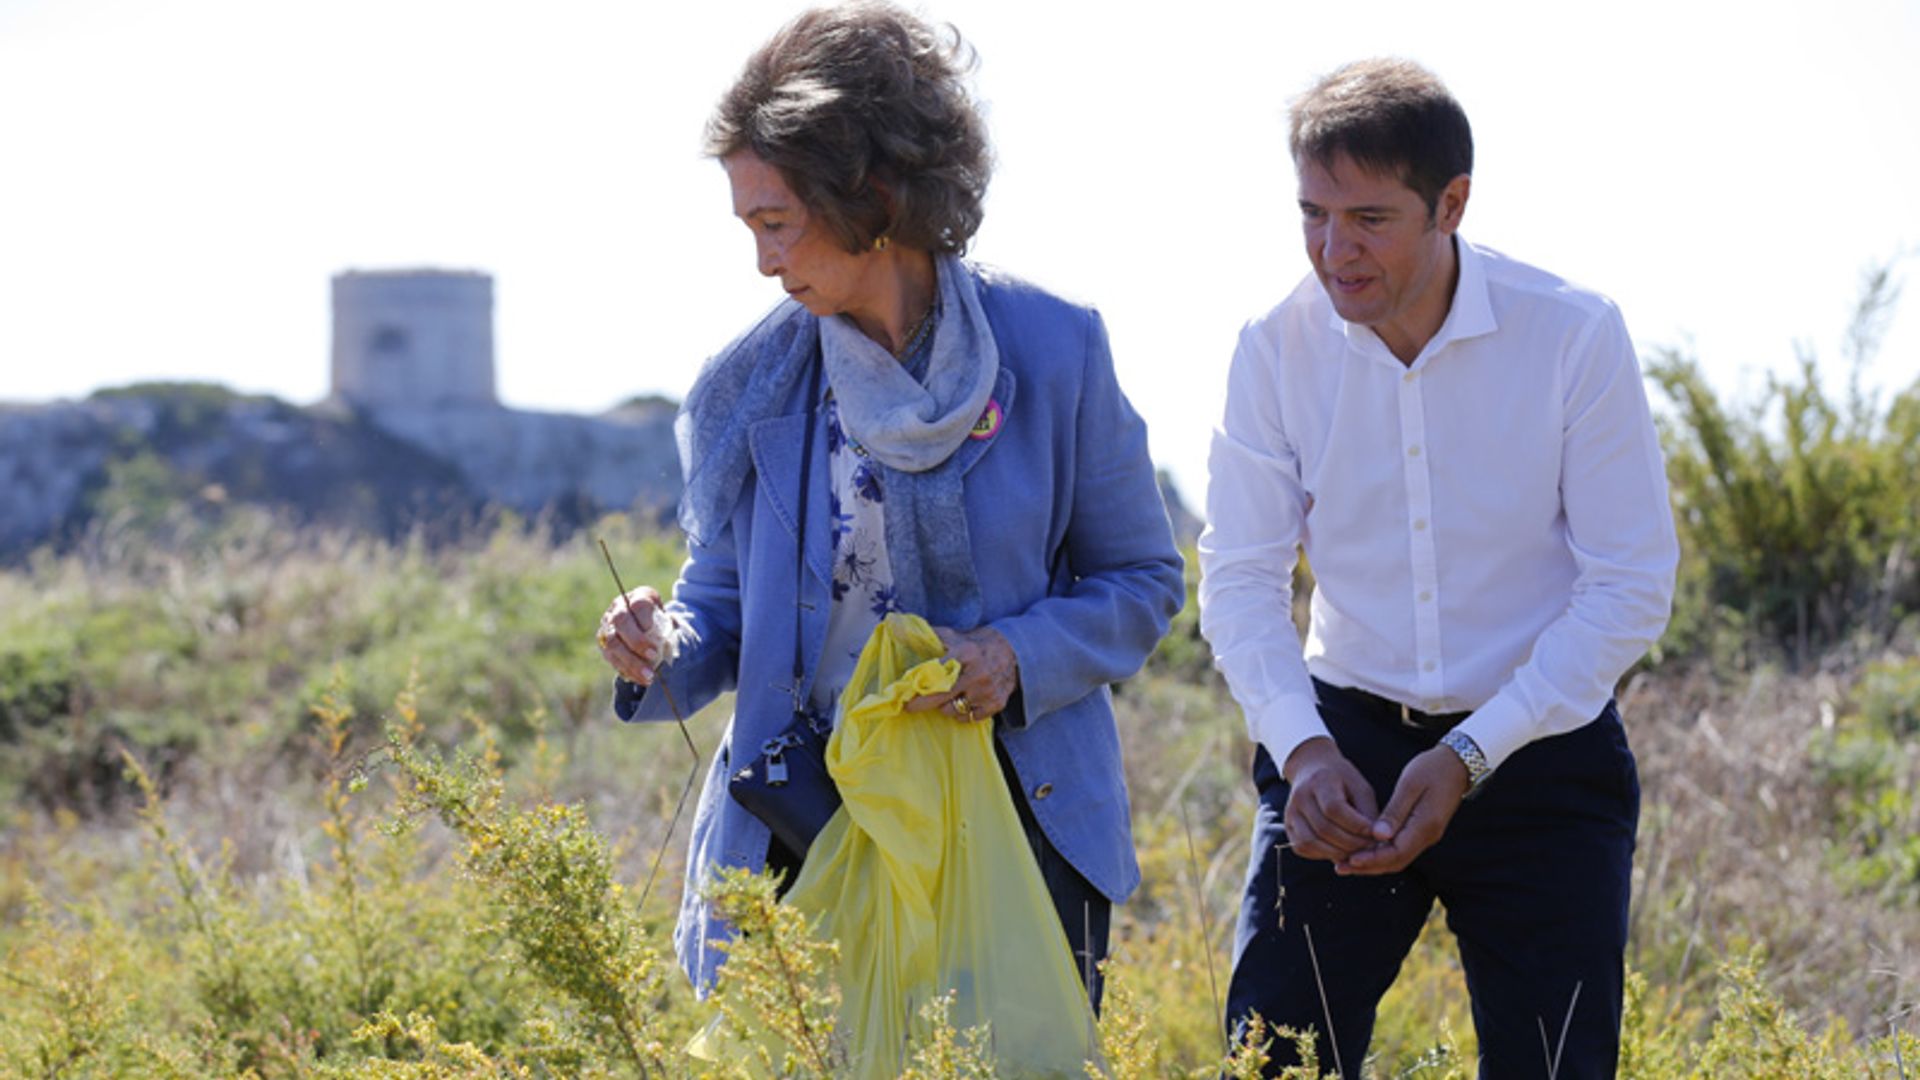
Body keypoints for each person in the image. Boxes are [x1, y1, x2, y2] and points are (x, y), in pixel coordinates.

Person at [594, 0, 1182, 1013]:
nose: (763, 262)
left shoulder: (1056, 348)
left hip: (1017, 831)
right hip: (804, 834)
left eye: (775, 222)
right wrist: (659, 639)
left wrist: (1015, 656)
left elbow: (1142, 581)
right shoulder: (752, 385)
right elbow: (717, 608)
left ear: (867, 195)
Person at [1198, 58, 1678, 1078]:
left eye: (1369, 217)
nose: (1335, 250)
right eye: (1313, 214)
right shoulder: (1273, 348)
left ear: (1452, 203)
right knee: (1272, 1063)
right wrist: (1304, 753)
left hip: (1541, 752)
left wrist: (1470, 756)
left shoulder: (1573, 336)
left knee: (1554, 1066)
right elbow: (1238, 580)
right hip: (1342, 747)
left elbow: (1631, 585)